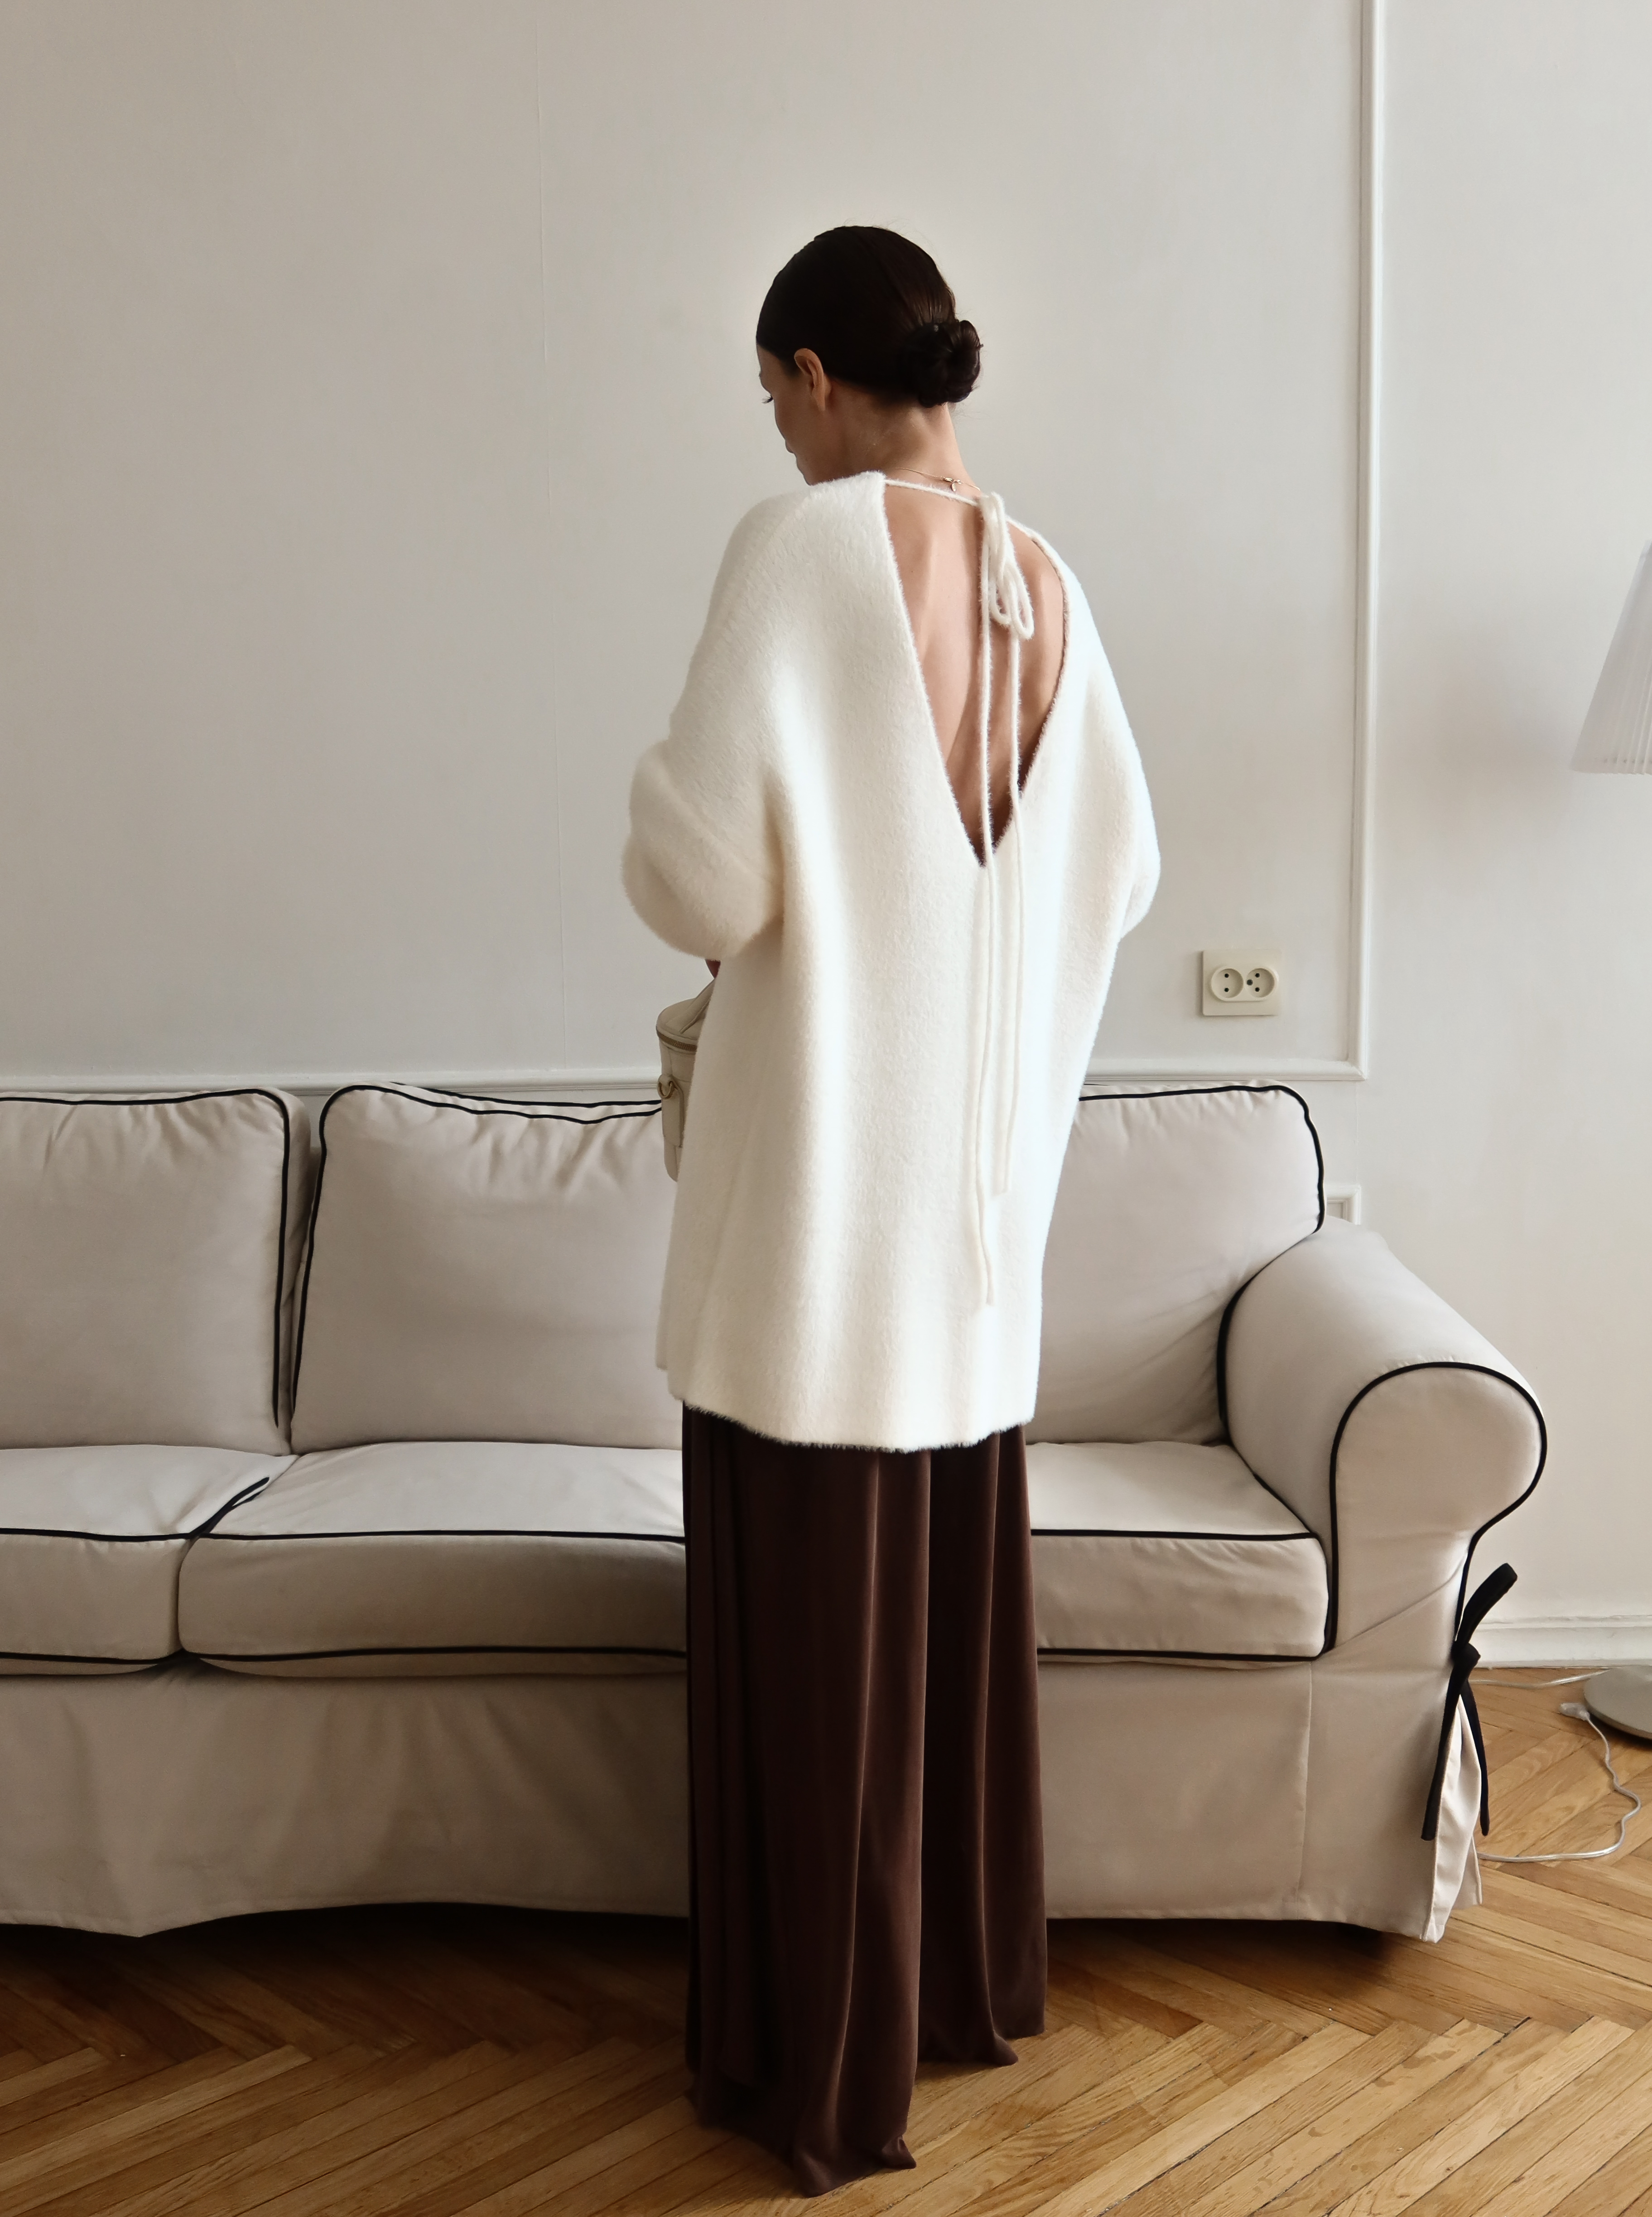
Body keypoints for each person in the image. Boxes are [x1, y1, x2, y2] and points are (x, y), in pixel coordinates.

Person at [622, 224, 1158, 2197]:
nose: (776, 431)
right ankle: (955, 1995)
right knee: (931, 1656)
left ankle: (816, 2070)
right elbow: (1124, 868)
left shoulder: (799, 549)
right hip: (970, 1251)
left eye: (774, 393)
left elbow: (699, 879)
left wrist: (678, 810)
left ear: (815, 373)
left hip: (813, 1243)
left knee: (808, 1669)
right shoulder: (1049, 584)